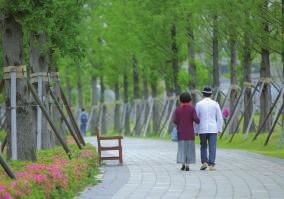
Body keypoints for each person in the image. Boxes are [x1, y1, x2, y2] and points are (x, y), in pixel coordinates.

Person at [195, 87, 223, 171]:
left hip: (202, 129)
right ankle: (211, 164)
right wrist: (220, 129)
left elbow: (197, 118)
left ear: (203, 94)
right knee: (212, 146)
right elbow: (220, 118)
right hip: (213, 129)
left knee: (203, 146)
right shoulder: (215, 104)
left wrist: (196, 130)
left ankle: (204, 162)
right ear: (211, 94)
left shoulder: (198, 104)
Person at [173, 92, 200, 171]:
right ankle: (188, 165)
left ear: (181, 100)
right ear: (190, 100)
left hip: (181, 133)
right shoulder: (192, 109)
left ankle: (183, 164)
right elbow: (197, 120)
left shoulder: (178, 109)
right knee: (189, 149)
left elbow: (175, 121)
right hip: (190, 133)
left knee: (182, 149)